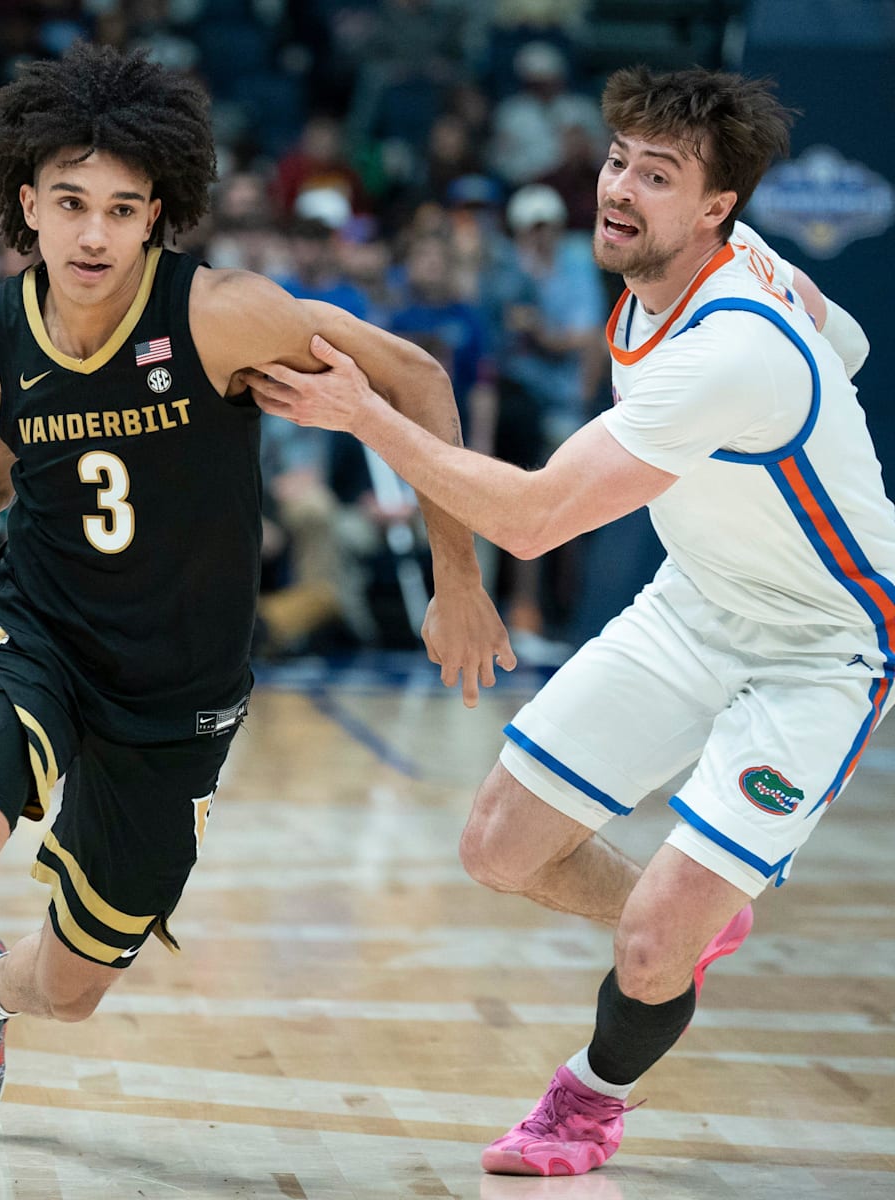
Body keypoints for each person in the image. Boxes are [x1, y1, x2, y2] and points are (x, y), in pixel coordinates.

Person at [0, 43, 507, 1140]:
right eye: (69, 202)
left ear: (156, 216)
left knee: (71, 989)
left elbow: (418, 376)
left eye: (121, 210)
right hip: (40, 631)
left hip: (180, 682)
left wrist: (457, 579)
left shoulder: (224, 311)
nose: (90, 234)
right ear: (25, 201)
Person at [244, 65, 883, 1176]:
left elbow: (535, 519)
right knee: (499, 847)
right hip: (696, 600)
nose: (620, 189)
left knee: (648, 947)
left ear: (717, 205)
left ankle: (588, 1102)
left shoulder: (729, 344)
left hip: (820, 652)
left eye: (659, 174)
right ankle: (688, 919)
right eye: (619, 160)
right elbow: (860, 346)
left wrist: (363, 416)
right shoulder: (698, 272)